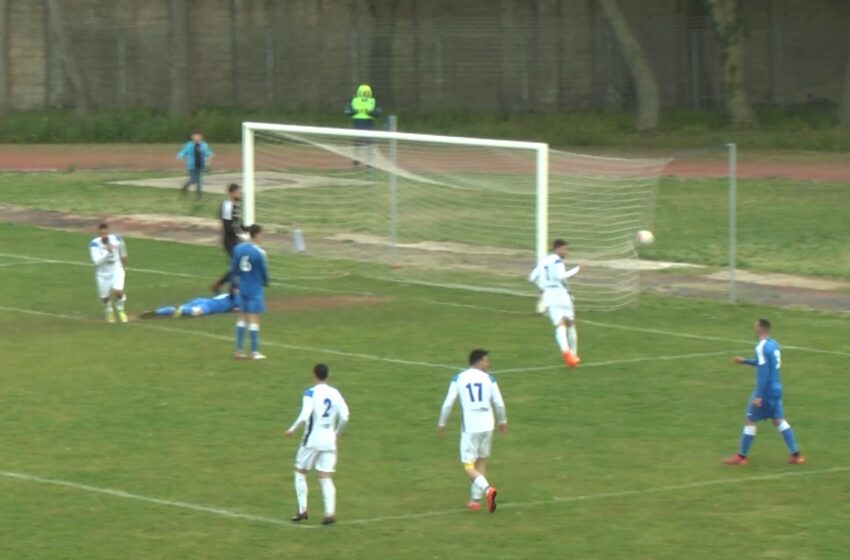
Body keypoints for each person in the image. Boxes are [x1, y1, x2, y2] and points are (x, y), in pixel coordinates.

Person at [724, 319, 805, 466]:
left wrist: (758, 395)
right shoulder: (773, 344)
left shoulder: (760, 347)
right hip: (776, 388)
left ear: (760, 329)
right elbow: (764, 364)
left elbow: (764, 372)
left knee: (750, 420)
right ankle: (796, 455)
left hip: (766, 390)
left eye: (755, 327)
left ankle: (741, 457)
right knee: (778, 420)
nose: (754, 329)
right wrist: (744, 361)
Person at [437, 349, 507, 513]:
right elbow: (499, 403)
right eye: (486, 361)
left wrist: (442, 422)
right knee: (480, 462)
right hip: (488, 425)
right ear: (479, 362)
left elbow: (448, 403)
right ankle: (475, 501)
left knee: (469, 466)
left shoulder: (459, 378)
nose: (488, 364)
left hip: (471, 428)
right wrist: (502, 421)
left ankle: (487, 490)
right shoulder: (489, 378)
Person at [285, 363, 350, 526]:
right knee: (325, 477)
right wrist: (337, 434)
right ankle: (330, 513)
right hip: (329, 440)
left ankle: (302, 510)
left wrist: (292, 428)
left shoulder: (310, 393)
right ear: (327, 375)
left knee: (300, 472)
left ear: (314, 375)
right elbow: (345, 416)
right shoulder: (335, 393)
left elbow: (305, 413)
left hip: (312, 439)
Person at [528, 239, 582, 367]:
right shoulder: (557, 260)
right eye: (564, 249)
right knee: (570, 324)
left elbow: (532, 277)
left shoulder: (543, 261)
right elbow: (560, 276)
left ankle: (566, 353)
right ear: (557, 249)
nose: (566, 252)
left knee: (560, 325)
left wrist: (542, 288)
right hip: (561, 295)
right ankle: (573, 354)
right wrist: (577, 269)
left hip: (549, 296)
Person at [231, 224, 268, 360]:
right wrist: (265, 282)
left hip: (243, 287)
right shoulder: (259, 252)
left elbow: (234, 268)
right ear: (257, 235)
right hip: (255, 289)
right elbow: (263, 272)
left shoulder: (238, 249)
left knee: (241, 318)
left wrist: (235, 284)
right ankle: (254, 352)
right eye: (262, 234)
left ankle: (239, 350)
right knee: (253, 319)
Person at [88, 222, 128, 323]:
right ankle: (109, 311)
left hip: (116, 270)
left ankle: (120, 309)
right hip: (102, 274)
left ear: (108, 232)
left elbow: (122, 244)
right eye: (102, 234)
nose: (104, 236)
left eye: (105, 233)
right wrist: (107, 253)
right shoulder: (94, 244)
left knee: (118, 291)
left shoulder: (116, 238)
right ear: (99, 234)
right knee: (104, 298)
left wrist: (123, 255)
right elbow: (96, 262)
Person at [211, 183, 243, 293]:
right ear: (231, 193)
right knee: (237, 266)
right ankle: (233, 292)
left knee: (238, 266)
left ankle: (218, 284)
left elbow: (236, 224)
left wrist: (247, 230)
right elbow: (227, 226)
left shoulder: (235, 207)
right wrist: (240, 234)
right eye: (238, 192)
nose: (240, 194)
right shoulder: (227, 206)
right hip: (230, 241)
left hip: (235, 240)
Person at [343, 84, 381, 166]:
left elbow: (377, 113)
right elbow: (347, 111)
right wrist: (355, 111)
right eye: (363, 92)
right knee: (357, 143)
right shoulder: (354, 100)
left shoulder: (373, 101)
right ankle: (356, 161)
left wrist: (369, 112)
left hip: (368, 124)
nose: (364, 94)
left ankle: (369, 162)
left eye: (366, 92)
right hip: (357, 123)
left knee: (369, 143)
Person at [140, 290, 240, 319]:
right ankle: (158, 312)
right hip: (208, 306)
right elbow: (237, 310)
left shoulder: (228, 294)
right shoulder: (238, 298)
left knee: (182, 308)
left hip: (202, 300)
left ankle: (158, 312)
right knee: (189, 312)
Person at [176, 131, 213, 199]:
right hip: (191, 165)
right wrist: (180, 156)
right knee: (195, 180)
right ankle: (189, 190)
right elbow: (183, 152)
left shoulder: (204, 145)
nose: (197, 138)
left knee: (198, 180)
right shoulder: (189, 145)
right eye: (195, 136)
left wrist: (208, 160)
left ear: (201, 137)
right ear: (192, 137)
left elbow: (208, 152)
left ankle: (195, 194)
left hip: (200, 164)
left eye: (199, 136)